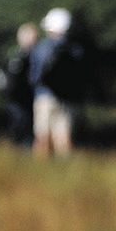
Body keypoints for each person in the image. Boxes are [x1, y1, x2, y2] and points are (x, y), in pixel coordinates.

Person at [29, 8, 86, 157]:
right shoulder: (76, 50)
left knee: (42, 138)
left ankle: (40, 173)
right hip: (67, 99)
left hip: (44, 97)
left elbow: (35, 77)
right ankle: (65, 173)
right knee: (64, 139)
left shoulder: (42, 48)